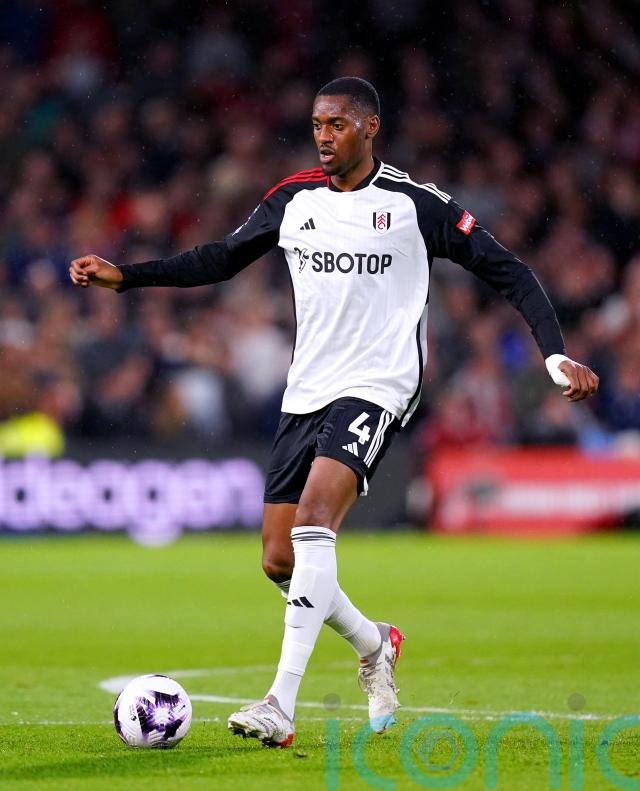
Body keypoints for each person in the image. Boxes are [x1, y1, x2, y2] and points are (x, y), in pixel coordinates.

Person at [69, 76, 599, 748]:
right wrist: (130, 276)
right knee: (278, 559)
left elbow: (511, 271)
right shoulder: (293, 199)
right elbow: (221, 258)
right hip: (307, 389)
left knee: (315, 519)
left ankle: (279, 704)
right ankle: (375, 642)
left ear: (370, 127)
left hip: (379, 384)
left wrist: (555, 356)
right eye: (318, 124)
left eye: (338, 124)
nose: (324, 136)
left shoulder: (414, 205)